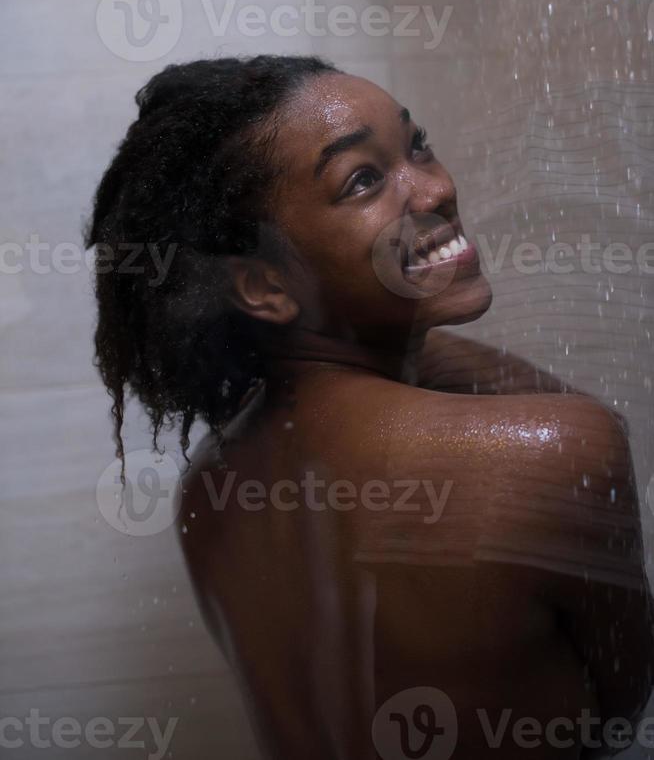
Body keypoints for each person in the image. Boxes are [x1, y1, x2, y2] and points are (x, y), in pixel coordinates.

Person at [85, 55, 653, 760]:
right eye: (363, 180)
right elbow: (623, 705)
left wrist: (392, 330)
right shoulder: (547, 453)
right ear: (263, 286)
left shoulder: (210, 488)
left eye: (416, 146)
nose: (437, 189)